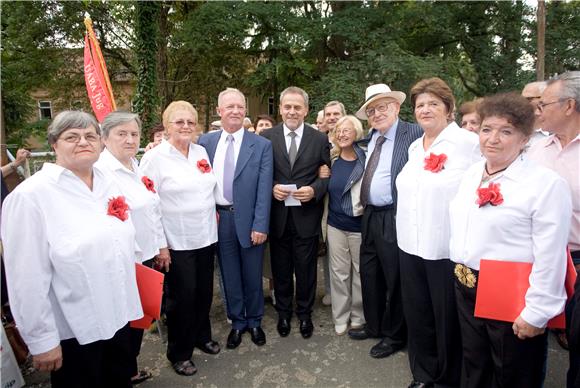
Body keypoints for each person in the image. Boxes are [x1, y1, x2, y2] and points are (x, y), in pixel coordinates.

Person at [1, 110, 143, 387]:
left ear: (101, 143)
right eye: (72, 137)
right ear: (54, 144)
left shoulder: (107, 183)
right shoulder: (31, 197)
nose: (83, 142)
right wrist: (42, 339)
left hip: (119, 315)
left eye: (90, 135)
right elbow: (25, 278)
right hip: (77, 330)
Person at [449, 92, 572, 388]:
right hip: (466, 286)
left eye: (506, 131)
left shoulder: (544, 184)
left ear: (525, 137)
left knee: (513, 373)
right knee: (475, 367)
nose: (492, 138)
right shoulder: (471, 174)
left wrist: (537, 312)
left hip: (511, 295)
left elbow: (551, 255)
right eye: (487, 129)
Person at [396, 77, 480, 388]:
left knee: (447, 320)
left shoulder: (469, 145)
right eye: (420, 105)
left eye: (433, 103)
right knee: (418, 315)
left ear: (449, 109)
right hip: (409, 245)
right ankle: (423, 374)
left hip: (445, 249)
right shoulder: (416, 146)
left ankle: (448, 379)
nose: (426, 109)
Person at [140, 101, 219, 376]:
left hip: (206, 236)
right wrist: (161, 245)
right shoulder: (154, 158)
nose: (186, 126)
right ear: (166, 126)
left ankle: (201, 335)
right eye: (179, 122)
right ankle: (179, 351)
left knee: (204, 292)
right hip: (176, 241)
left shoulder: (200, 151)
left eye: (190, 122)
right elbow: (149, 205)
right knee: (181, 298)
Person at [95, 111, 170, 384]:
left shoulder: (135, 165)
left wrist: (161, 248)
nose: (129, 140)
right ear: (104, 138)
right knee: (121, 327)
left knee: (139, 320)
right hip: (123, 263)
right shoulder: (101, 173)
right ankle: (119, 374)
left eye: (134, 134)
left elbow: (153, 210)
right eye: (122, 134)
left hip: (145, 259)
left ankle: (128, 369)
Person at [348, 83, 422, 360]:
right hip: (369, 216)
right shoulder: (371, 137)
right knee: (370, 274)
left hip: (394, 214)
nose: (377, 113)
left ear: (396, 107)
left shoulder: (413, 132)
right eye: (372, 109)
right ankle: (376, 324)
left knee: (395, 278)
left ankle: (395, 335)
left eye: (383, 107)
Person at [198, 88, 273, 349]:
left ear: (245, 111)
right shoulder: (205, 143)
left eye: (240, 107)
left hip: (250, 220)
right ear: (219, 112)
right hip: (218, 220)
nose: (236, 111)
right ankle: (238, 323)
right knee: (229, 275)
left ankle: (255, 321)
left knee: (252, 275)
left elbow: (264, 188)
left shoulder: (261, 145)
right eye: (229, 106)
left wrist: (260, 224)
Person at [261, 86, 331, 339]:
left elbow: (326, 176)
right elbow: (260, 175)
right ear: (280, 109)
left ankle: (304, 314)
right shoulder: (266, 137)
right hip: (278, 217)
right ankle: (283, 313)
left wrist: (314, 190)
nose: (292, 111)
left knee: (306, 270)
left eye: (297, 107)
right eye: (287, 106)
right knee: (280, 270)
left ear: (306, 110)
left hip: (306, 217)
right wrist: (271, 188)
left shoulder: (319, 139)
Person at [527, 71, 580, 388]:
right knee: (533, 332)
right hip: (537, 257)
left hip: (577, 258)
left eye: (544, 104)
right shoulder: (536, 149)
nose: (537, 110)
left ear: (569, 105)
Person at [325, 115, 366, 336]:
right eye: (338, 130)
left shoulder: (366, 160)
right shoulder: (331, 160)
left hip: (359, 225)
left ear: (357, 133)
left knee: (359, 272)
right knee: (339, 273)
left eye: (347, 130)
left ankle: (358, 315)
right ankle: (340, 316)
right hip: (335, 225)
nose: (341, 134)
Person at [522, 81, 549, 145]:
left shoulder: (559, 130)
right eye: (521, 99)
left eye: (528, 99)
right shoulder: (515, 126)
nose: (521, 102)